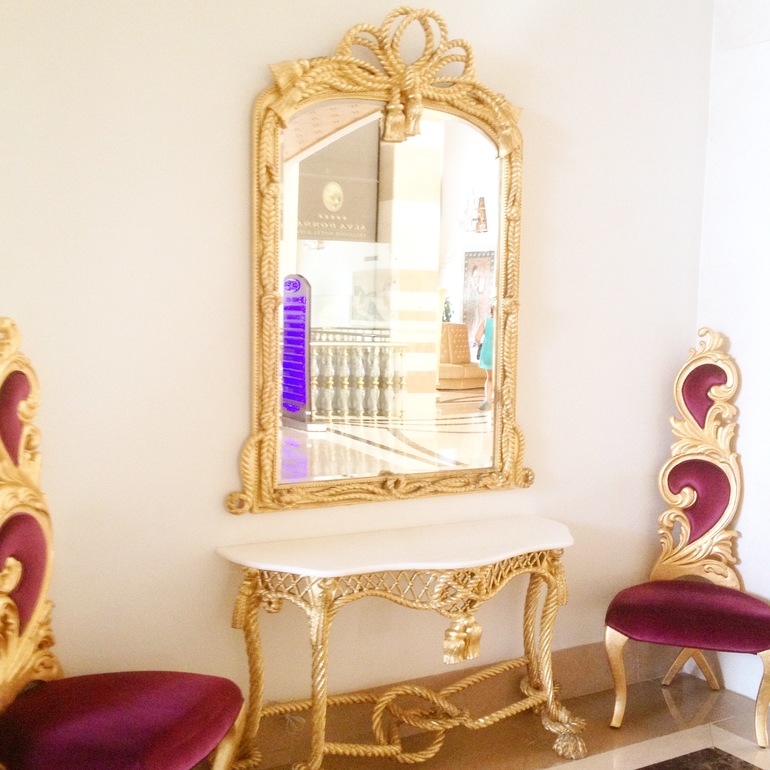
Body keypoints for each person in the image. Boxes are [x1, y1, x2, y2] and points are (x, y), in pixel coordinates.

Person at [475, 302, 494, 410]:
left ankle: (487, 399)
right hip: (499, 354)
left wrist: (480, 345)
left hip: (487, 353)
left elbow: (477, 338)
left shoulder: (485, 322)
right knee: (500, 378)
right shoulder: (504, 323)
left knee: (489, 378)